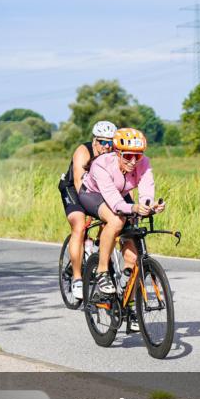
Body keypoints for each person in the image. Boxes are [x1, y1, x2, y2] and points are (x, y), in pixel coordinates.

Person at [79, 127, 165, 300]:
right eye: (127, 156)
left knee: (134, 258)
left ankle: (131, 307)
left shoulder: (144, 162)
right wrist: (133, 208)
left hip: (120, 194)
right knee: (117, 220)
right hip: (93, 194)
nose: (133, 161)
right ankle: (102, 271)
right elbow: (115, 202)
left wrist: (149, 206)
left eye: (137, 156)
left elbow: (146, 189)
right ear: (117, 152)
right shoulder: (102, 164)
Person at [58, 120, 116, 301]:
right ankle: (76, 278)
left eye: (110, 143)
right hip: (74, 189)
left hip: (99, 190)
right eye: (103, 142)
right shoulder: (83, 151)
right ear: (94, 141)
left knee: (111, 219)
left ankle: (99, 248)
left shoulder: (114, 154)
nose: (107, 146)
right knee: (79, 225)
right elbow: (79, 184)